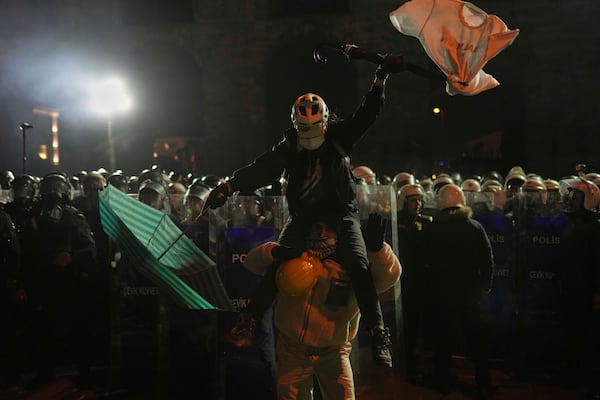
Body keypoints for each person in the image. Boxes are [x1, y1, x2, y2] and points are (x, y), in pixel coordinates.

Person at [204, 56, 406, 367]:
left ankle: (378, 333)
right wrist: (229, 187)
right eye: (303, 128)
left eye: (314, 127)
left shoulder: (340, 137)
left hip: (341, 216)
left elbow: (367, 115)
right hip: (303, 218)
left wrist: (380, 80)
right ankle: (249, 321)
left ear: (325, 122)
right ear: (296, 125)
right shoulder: (288, 147)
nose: (309, 134)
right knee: (279, 262)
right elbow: (262, 169)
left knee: (357, 262)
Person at [242, 213, 401, 399]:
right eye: (318, 228)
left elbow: (388, 277)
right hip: (293, 349)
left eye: (330, 228)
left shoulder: (353, 261)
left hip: (334, 351)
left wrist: (377, 251)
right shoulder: (296, 253)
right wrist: (276, 251)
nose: (323, 233)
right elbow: (251, 262)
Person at [422, 184, 494, 398]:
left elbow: (425, 262)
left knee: (443, 342)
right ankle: (483, 384)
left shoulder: (433, 229)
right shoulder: (474, 227)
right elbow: (487, 259)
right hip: (470, 296)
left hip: (443, 296)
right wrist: (484, 287)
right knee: (478, 343)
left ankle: (442, 381)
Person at [557, 177, 600, 398]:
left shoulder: (594, 228)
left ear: (589, 200)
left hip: (585, 291)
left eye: (577, 196)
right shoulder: (571, 223)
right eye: (572, 195)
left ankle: (589, 381)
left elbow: (597, 262)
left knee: (588, 337)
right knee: (571, 333)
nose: (572, 199)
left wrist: (596, 292)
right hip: (570, 289)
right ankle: (571, 374)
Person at [396, 183, 432, 384]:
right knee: (408, 326)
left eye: (419, 199)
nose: (417, 203)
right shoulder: (397, 224)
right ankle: (409, 366)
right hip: (404, 281)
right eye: (412, 200)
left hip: (422, 281)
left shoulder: (427, 221)